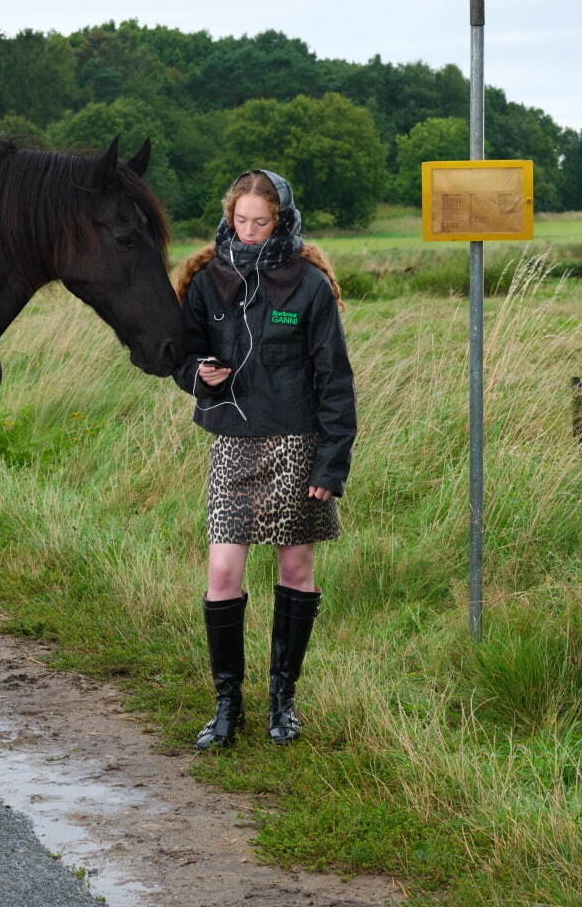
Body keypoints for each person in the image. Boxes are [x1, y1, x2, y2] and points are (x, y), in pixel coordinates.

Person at [172, 169, 356, 749]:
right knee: (223, 573)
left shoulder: (309, 284)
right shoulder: (206, 279)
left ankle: (283, 703)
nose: (249, 232)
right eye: (240, 220)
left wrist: (332, 464)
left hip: (296, 444)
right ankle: (228, 708)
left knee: (295, 569)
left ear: (283, 219)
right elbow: (182, 355)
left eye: (262, 222)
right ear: (229, 216)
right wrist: (199, 376)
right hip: (233, 443)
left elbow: (335, 381)